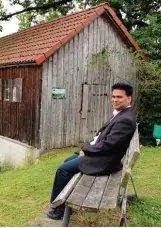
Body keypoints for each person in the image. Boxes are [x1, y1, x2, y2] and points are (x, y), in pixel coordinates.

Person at [47, 82, 137, 220]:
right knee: (67, 161)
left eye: (119, 97)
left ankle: (58, 207)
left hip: (104, 162)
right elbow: (105, 140)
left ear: (129, 98)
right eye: (113, 96)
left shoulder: (125, 120)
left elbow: (108, 146)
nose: (115, 100)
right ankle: (61, 203)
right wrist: (88, 148)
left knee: (62, 170)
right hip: (105, 156)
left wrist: (87, 150)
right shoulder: (122, 114)